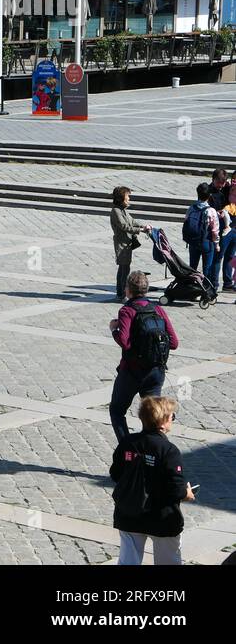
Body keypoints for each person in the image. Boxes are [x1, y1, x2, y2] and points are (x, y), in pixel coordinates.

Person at [110, 396, 194, 565]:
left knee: (128, 561)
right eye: (172, 416)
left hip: (129, 513)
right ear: (163, 421)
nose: (173, 420)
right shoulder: (169, 451)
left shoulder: (127, 442)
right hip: (162, 518)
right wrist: (187, 493)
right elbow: (176, 489)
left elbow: (115, 473)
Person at [108, 270, 178, 443]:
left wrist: (114, 330)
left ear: (128, 290)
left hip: (132, 372)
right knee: (153, 416)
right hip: (155, 371)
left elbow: (125, 342)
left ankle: (127, 449)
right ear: (146, 290)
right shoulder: (158, 309)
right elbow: (174, 343)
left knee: (117, 410)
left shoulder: (127, 311)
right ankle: (153, 450)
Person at [111, 187, 152, 302]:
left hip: (127, 244)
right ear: (121, 198)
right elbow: (124, 226)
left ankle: (121, 292)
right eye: (127, 196)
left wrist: (143, 225)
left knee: (124, 268)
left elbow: (132, 221)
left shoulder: (123, 210)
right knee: (124, 270)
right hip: (121, 244)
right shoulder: (116, 211)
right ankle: (121, 293)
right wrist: (141, 230)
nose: (129, 198)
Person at [180, 182, 217, 286]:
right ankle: (206, 290)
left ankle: (191, 288)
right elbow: (215, 230)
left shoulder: (192, 208)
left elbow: (186, 221)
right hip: (206, 242)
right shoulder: (211, 211)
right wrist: (216, 243)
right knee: (207, 268)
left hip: (193, 241)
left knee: (193, 266)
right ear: (209, 196)